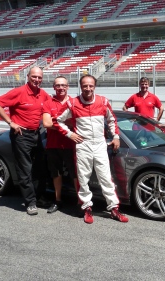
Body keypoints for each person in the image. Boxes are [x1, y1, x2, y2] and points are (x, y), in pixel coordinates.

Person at [56, 75, 129, 224]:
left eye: (90, 86)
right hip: (83, 145)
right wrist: (70, 134)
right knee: (83, 179)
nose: (88, 89)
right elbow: (57, 120)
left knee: (106, 178)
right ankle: (87, 208)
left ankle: (114, 208)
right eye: (85, 86)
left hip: (100, 144)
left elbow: (111, 119)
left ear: (94, 86)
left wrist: (115, 136)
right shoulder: (73, 103)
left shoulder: (103, 101)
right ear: (80, 87)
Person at [0, 67, 50, 215]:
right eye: (34, 77)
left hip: (37, 134)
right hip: (21, 135)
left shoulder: (42, 94)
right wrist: (10, 122)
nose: (37, 80)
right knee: (25, 169)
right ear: (28, 76)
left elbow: (53, 107)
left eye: (39, 77)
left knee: (40, 168)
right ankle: (30, 202)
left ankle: (39, 197)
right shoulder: (19, 92)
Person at [42, 76, 77, 213]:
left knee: (75, 174)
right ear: (54, 87)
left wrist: (55, 122)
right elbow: (46, 123)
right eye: (58, 85)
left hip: (71, 144)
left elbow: (77, 122)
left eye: (63, 85)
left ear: (68, 87)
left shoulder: (74, 102)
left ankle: (80, 202)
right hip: (53, 145)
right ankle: (58, 201)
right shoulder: (48, 103)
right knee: (56, 174)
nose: (61, 88)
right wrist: (64, 123)